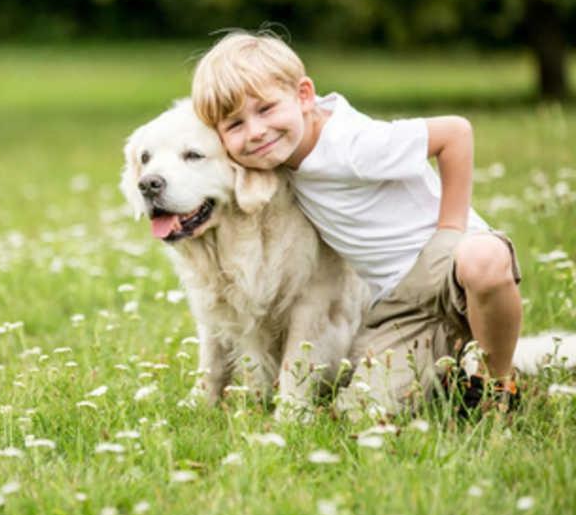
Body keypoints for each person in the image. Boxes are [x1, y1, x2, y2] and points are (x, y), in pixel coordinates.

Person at [191, 30, 522, 416]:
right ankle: (449, 362)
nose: (256, 132)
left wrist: (449, 233)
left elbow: (455, 133)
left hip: (448, 263)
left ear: (303, 95)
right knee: (360, 412)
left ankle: (496, 383)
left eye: (264, 109)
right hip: (398, 301)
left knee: (481, 257)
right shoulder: (280, 161)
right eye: (234, 125)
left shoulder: (353, 144)